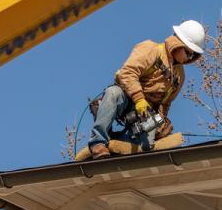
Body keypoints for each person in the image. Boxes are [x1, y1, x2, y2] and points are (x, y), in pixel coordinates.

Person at [86, 20, 205, 157]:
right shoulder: (151, 49)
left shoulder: (179, 76)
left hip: (145, 111)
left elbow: (165, 103)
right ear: (178, 44)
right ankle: (98, 143)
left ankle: (115, 141)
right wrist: (139, 99)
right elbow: (128, 73)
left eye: (193, 55)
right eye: (188, 52)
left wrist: (161, 121)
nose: (189, 58)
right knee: (113, 93)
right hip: (127, 97)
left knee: (147, 144)